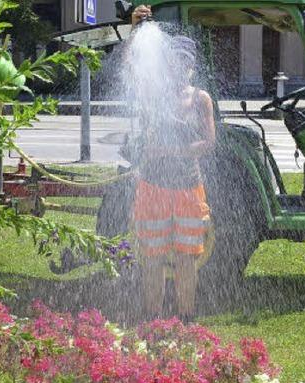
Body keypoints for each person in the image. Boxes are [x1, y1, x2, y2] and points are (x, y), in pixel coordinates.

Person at [129, 5, 216, 319]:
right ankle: (152, 320)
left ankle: (186, 321)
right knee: (151, 258)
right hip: (153, 187)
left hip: (188, 190)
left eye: (185, 62)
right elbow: (132, 65)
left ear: (191, 65)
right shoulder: (154, 93)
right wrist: (135, 29)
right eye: (173, 61)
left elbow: (209, 142)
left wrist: (170, 151)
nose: (179, 67)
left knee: (186, 259)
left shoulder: (200, 98)